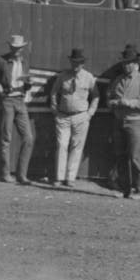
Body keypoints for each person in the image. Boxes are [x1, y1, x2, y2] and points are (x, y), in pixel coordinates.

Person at [0, 34, 35, 185]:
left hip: (20, 101)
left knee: (28, 138)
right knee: (6, 138)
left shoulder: (24, 62)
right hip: (7, 100)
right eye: (14, 48)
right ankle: (5, 173)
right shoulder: (2, 60)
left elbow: (26, 83)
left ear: (22, 48)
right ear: (10, 47)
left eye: (19, 48)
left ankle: (22, 175)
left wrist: (29, 83)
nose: (17, 50)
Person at [105, 46, 140, 199]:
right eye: (124, 63)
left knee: (135, 157)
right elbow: (108, 98)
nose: (126, 65)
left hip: (135, 123)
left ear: (135, 63)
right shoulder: (118, 80)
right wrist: (113, 103)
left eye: (129, 63)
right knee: (120, 156)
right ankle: (125, 189)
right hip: (119, 122)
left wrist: (129, 103)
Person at [49, 48, 99, 188]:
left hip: (81, 116)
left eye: (79, 63)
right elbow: (54, 92)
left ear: (83, 63)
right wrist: (54, 108)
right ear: (70, 62)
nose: (76, 65)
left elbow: (96, 96)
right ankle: (59, 177)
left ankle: (70, 178)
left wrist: (90, 113)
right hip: (63, 116)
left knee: (77, 147)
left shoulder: (89, 77)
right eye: (74, 62)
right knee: (62, 145)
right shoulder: (63, 76)